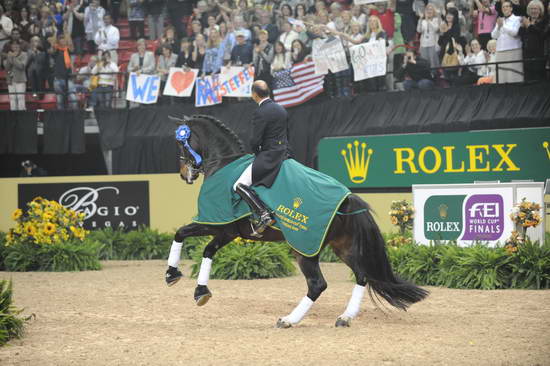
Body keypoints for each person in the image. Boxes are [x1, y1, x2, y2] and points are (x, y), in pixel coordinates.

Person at [233, 80, 291, 237]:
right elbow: (287, 135)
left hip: (269, 156)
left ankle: (264, 214)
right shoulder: (281, 109)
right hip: (283, 153)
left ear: (254, 95)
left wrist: (257, 152)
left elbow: (255, 140)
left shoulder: (261, 112)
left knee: (239, 185)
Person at [491, 0, 523, 83]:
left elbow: (515, 32)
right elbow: (493, 35)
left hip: (513, 49)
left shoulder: (517, 19)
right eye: (503, 7)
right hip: (501, 50)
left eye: (507, 6)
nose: (505, 8)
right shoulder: (500, 20)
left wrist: (503, 26)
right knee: (501, 75)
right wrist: (498, 27)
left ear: (511, 8)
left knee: (514, 74)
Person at [519, 0, 547, 82]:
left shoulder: (544, 21)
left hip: (539, 54)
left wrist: (529, 26)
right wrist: (522, 26)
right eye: (532, 9)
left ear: (540, 10)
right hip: (527, 54)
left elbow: (543, 34)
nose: (533, 11)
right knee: (528, 78)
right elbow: (520, 35)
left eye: (536, 9)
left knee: (538, 79)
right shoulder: (526, 20)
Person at [3, 42, 28, 110]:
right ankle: (13, 115)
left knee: (20, 98)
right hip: (11, 80)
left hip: (20, 80)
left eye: (17, 47)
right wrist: (9, 58)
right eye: (13, 47)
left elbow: (21, 66)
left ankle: (21, 115)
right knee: (12, 98)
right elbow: (7, 68)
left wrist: (13, 58)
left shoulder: (24, 55)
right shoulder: (9, 55)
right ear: (11, 48)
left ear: (20, 48)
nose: (15, 49)